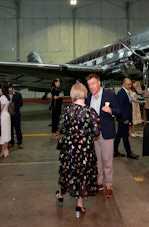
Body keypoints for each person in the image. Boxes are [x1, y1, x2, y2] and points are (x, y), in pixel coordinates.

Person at [55, 83, 100, 218]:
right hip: (85, 149)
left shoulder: (67, 109)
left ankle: (60, 194)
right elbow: (97, 132)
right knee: (84, 174)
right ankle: (79, 205)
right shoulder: (90, 112)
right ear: (85, 94)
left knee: (69, 172)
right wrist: (85, 135)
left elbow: (61, 129)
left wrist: (72, 133)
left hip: (70, 147)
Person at [85, 74, 120, 198]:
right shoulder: (88, 96)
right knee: (96, 161)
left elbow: (119, 111)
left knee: (107, 161)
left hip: (107, 133)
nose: (91, 87)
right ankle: (99, 183)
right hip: (93, 134)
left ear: (99, 83)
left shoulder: (109, 95)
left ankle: (109, 185)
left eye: (93, 84)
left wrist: (110, 110)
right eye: (89, 85)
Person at [114, 78, 139, 159]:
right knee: (124, 135)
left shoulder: (126, 92)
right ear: (123, 84)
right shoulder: (121, 93)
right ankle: (128, 152)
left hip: (124, 118)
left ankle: (115, 150)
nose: (129, 86)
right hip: (123, 119)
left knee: (120, 135)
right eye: (128, 84)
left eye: (130, 84)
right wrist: (125, 118)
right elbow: (121, 107)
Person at [0, 84, 11, 158]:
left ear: (1, 89)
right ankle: (5, 150)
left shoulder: (2, 98)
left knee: (3, 133)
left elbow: (0, 109)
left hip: (3, 116)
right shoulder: (6, 97)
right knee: (6, 133)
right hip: (6, 115)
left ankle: (3, 151)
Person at [8, 85, 24, 149]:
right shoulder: (5, 95)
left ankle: (19, 142)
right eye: (8, 89)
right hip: (9, 115)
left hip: (16, 114)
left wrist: (13, 107)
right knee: (10, 129)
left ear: (13, 89)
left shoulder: (18, 95)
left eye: (10, 89)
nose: (9, 90)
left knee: (18, 129)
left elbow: (21, 103)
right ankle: (11, 142)